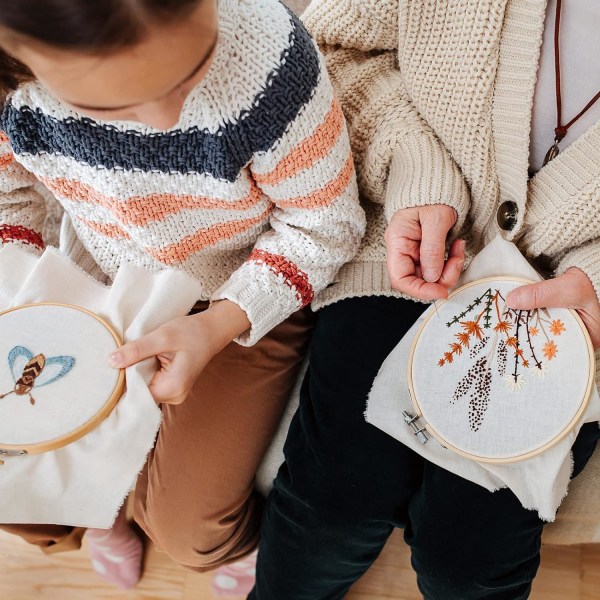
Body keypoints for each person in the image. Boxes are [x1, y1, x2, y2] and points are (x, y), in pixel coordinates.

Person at [0, 0, 364, 593]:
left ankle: (218, 543)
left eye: (193, 68)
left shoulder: (269, 60)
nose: (170, 117)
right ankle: (96, 516)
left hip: (239, 287)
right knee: (30, 485)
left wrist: (221, 323)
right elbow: (9, 199)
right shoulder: (10, 85)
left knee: (191, 532)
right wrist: (26, 294)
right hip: (93, 277)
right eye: (109, 103)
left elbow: (325, 224)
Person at [249, 0, 600, 598]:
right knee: (331, 506)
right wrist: (414, 169)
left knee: (465, 557)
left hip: (575, 314)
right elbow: (326, 54)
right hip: (408, 249)